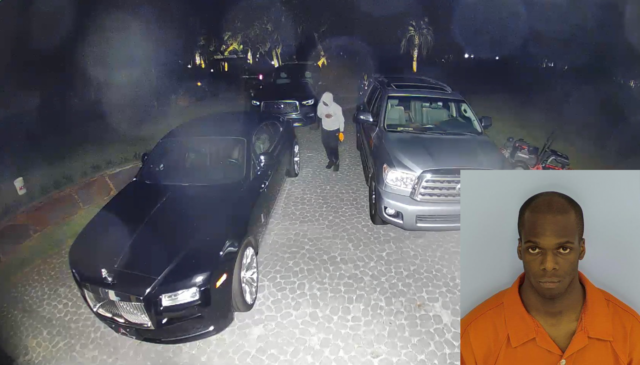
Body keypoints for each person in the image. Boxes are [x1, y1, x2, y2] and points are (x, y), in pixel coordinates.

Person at [461, 191, 640, 365]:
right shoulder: (471, 337)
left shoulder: (632, 332)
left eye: (563, 249)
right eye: (534, 249)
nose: (548, 265)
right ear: (519, 249)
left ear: (582, 249)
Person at [317, 92, 344, 172]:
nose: (325, 104)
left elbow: (341, 120)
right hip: (325, 128)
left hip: (334, 129)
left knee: (333, 146)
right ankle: (330, 160)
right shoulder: (320, 105)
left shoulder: (337, 108)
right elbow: (319, 114)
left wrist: (341, 131)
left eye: (326, 103)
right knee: (326, 144)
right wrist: (324, 115)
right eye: (324, 102)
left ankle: (336, 161)